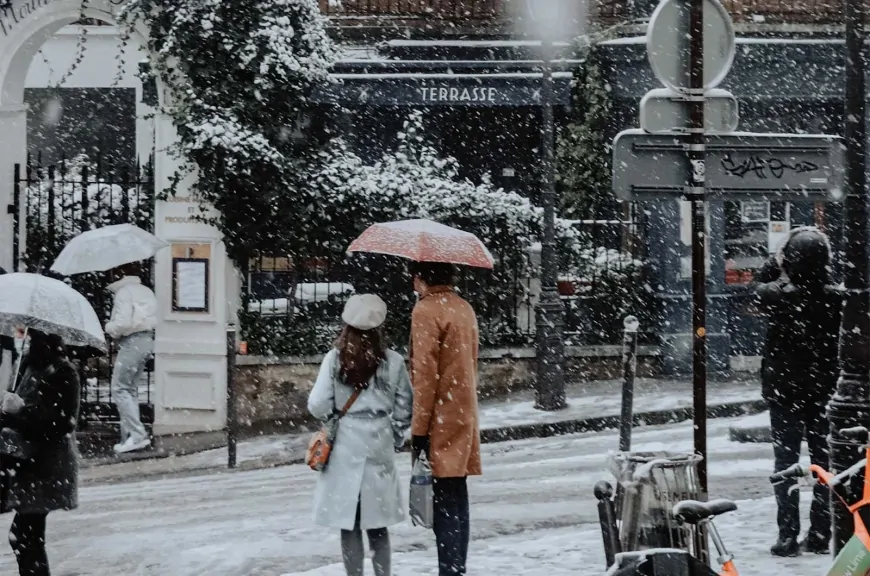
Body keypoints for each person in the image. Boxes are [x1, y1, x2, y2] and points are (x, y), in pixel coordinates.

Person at [308, 294, 413, 576]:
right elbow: (406, 407)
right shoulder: (393, 362)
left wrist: (334, 415)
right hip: (379, 440)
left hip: (345, 443)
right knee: (378, 525)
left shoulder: (335, 360)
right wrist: (395, 435)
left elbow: (317, 404)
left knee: (350, 522)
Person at [756, 226, 842, 557]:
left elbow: (755, 288)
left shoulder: (777, 295)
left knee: (785, 463)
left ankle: (787, 535)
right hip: (823, 390)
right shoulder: (836, 297)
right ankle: (821, 532)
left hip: (784, 391)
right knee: (825, 463)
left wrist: (774, 262)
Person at [409, 262, 482, 576]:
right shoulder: (463, 308)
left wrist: (419, 429)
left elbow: (425, 376)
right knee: (457, 494)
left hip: (439, 414)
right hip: (463, 410)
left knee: (442, 502)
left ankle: (449, 570)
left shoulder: (426, 311)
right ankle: (457, 567)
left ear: (420, 277)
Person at [0, 329, 80, 576]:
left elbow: (59, 423)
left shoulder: (63, 372)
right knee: (25, 535)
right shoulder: (29, 364)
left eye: (31, 336)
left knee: (25, 535)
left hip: (46, 465)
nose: (25, 339)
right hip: (25, 460)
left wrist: (20, 411)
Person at [105, 262, 157, 454]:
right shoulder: (146, 291)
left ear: (119, 272)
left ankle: (136, 435)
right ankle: (128, 436)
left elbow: (122, 324)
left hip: (132, 342)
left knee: (119, 388)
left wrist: (108, 327)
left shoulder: (124, 293)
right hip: (146, 341)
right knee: (130, 389)